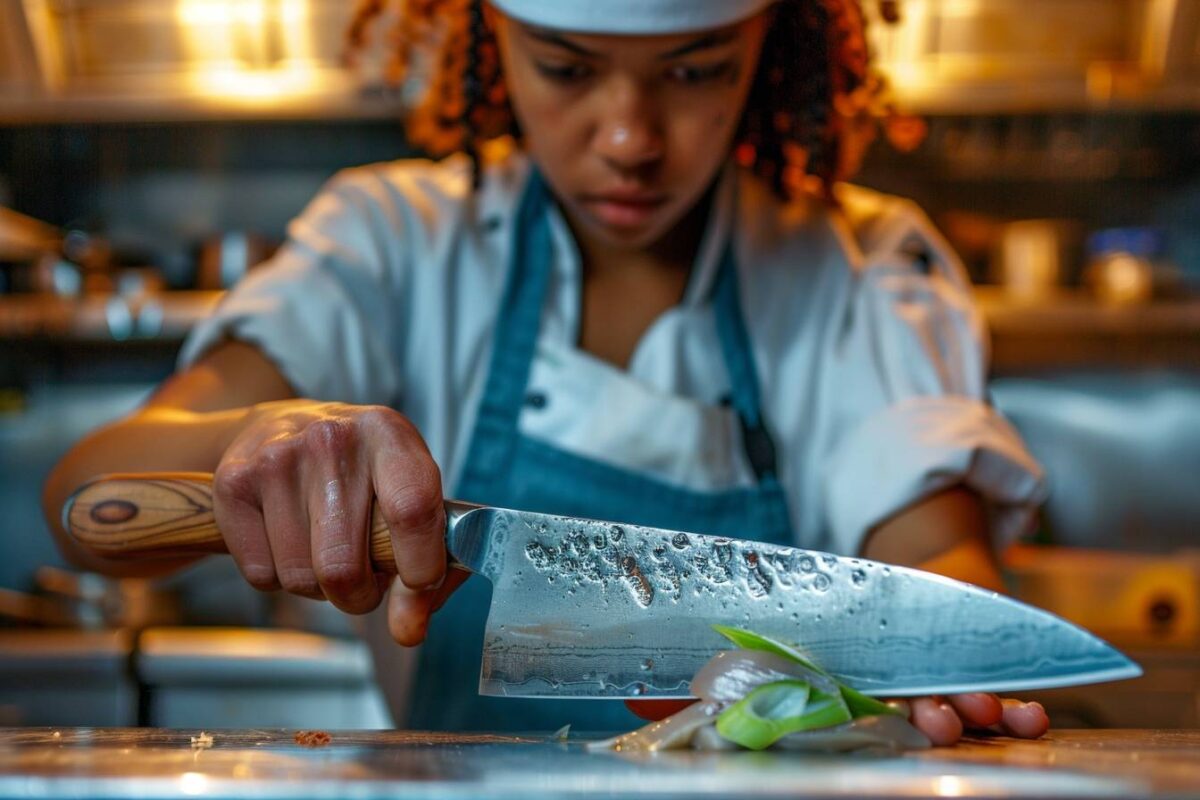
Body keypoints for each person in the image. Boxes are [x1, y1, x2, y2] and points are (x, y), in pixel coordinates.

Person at [43, 0, 1050, 743]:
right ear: (492, 37)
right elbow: (87, 498)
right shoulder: (395, 243)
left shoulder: (861, 268)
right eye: (566, 69)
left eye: (696, 71)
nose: (629, 140)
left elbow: (935, 552)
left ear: (770, 46)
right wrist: (253, 436)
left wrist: (941, 649)